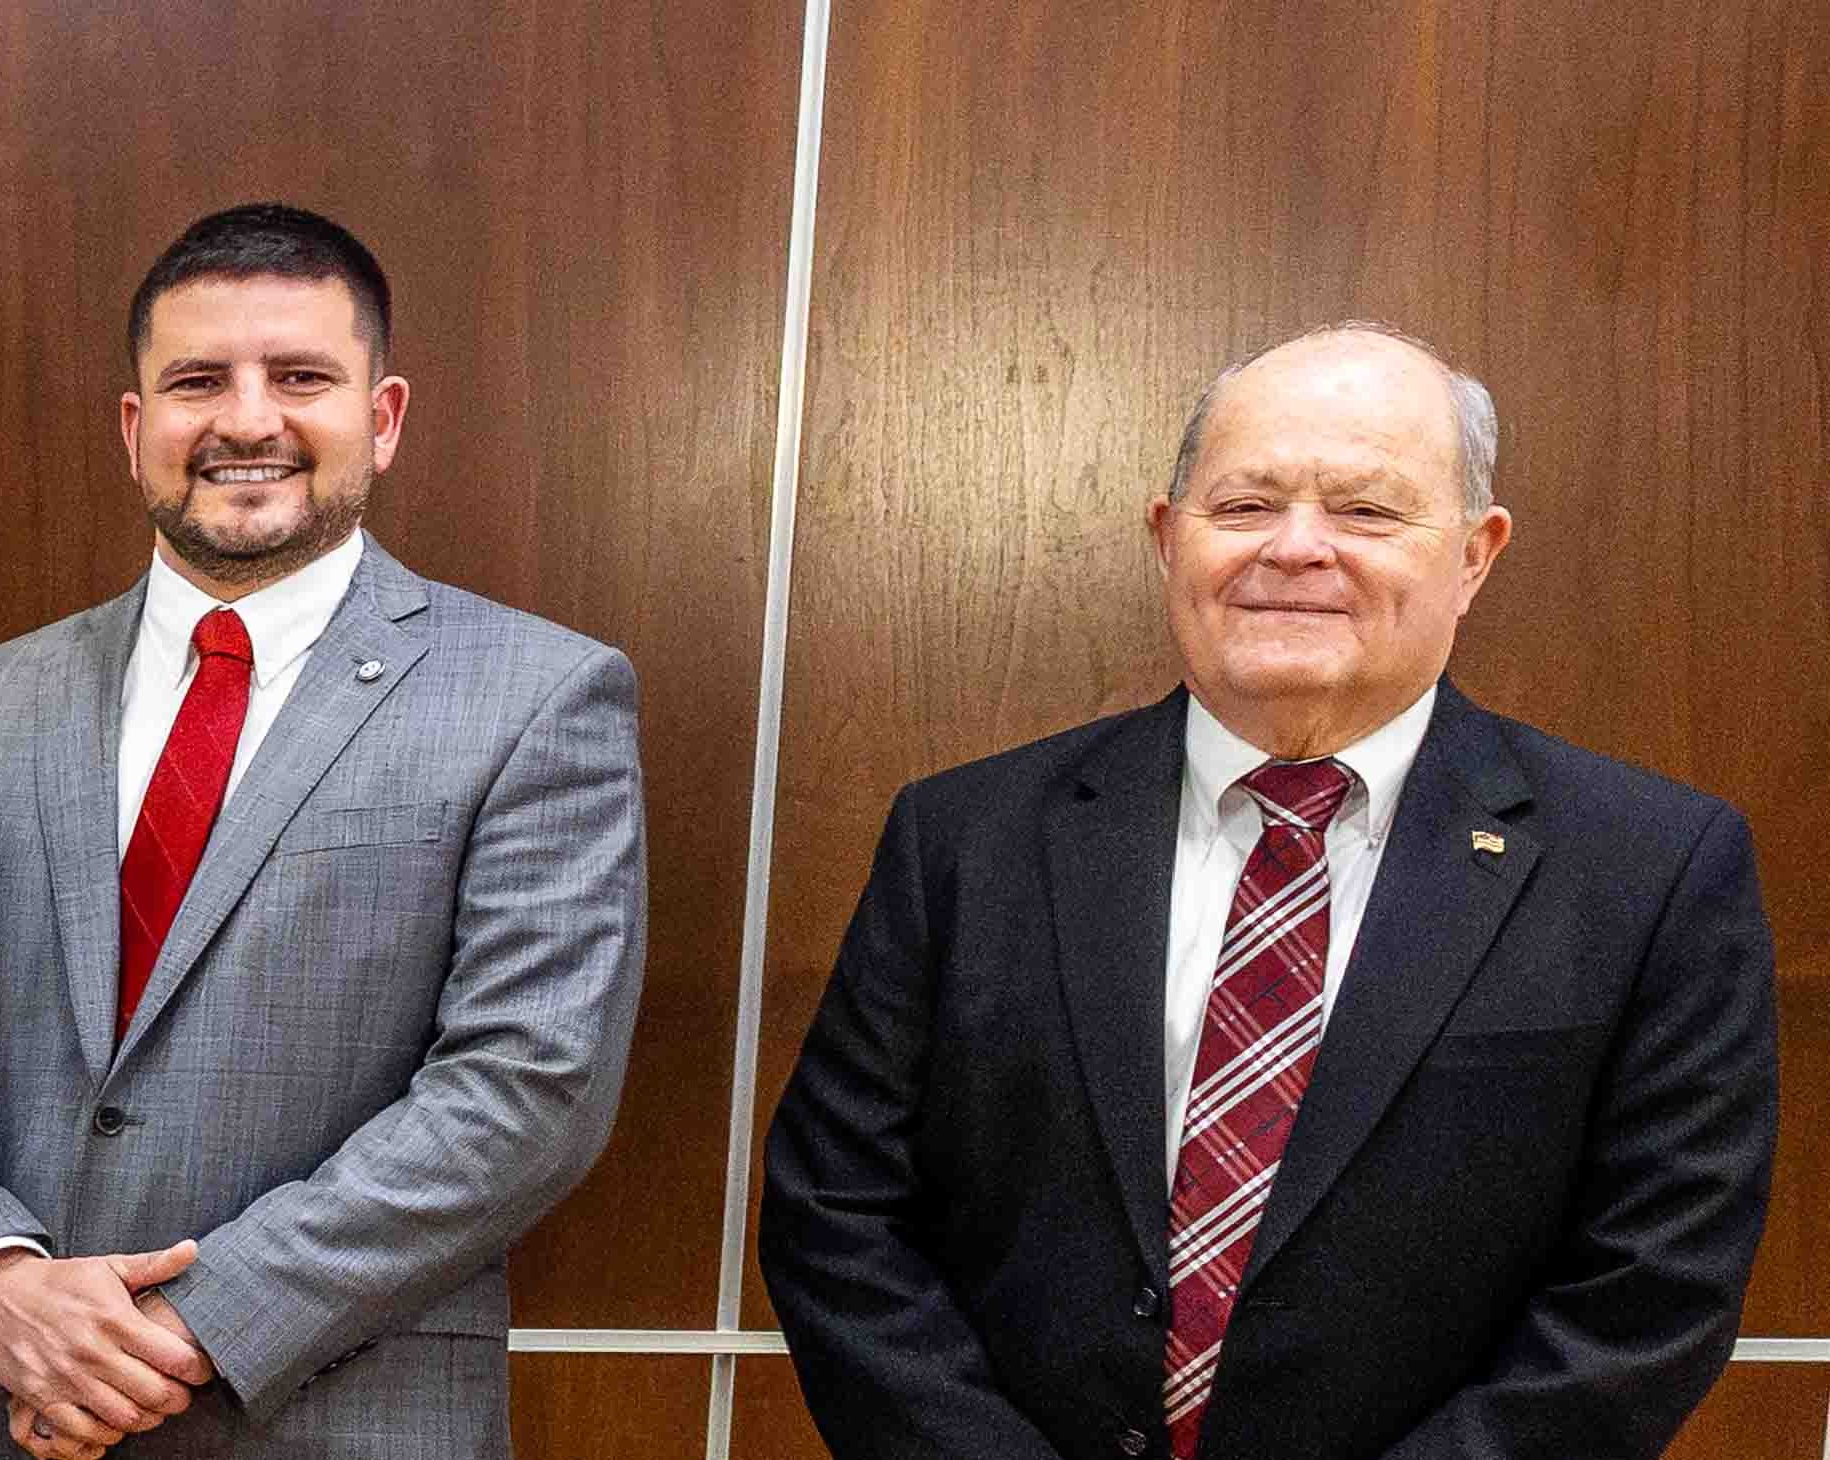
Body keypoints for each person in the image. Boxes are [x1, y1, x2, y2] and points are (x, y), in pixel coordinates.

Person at [759, 322, 1772, 1460]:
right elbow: (834, 1214)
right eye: (1242, 506)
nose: (1294, 547)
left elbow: (1649, 1288)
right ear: (1165, 537)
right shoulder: (963, 836)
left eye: (1365, 511)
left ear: (1475, 555)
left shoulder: (1649, 866)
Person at [0, 202, 644, 1459]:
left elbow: (523, 1090)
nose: (247, 419)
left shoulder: (540, 695)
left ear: (380, 417)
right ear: (135, 427)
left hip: (338, 1415)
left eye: (301, 377)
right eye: (197, 380)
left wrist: (166, 1335)